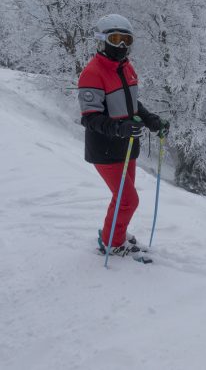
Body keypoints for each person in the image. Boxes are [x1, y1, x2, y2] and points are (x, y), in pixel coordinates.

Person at [77, 14, 169, 256]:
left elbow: (131, 103)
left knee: (122, 199)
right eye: (115, 38)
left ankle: (115, 234)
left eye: (126, 39)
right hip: (105, 149)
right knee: (129, 200)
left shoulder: (126, 68)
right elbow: (90, 117)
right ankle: (112, 242)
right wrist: (119, 128)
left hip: (127, 147)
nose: (121, 45)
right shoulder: (92, 73)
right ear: (101, 40)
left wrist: (152, 121)